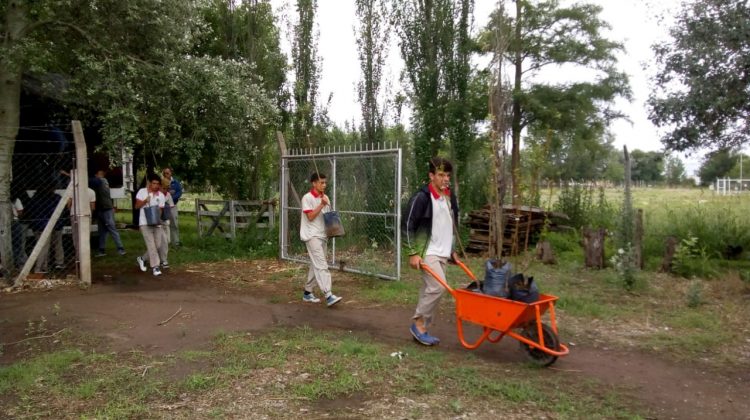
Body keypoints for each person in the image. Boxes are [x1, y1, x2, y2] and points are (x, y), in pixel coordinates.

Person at [402, 157, 459, 346]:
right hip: (427, 251)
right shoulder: (422, 197)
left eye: (447, 175)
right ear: (431, 176)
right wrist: (412, 252)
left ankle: (421, 330)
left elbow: (451, 225)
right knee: (437, 287)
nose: (445, 179)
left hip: (443, 251)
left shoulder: (449, 198)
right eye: (441, 175)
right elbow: (407, 224)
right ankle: (418, 325)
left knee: (430, 289)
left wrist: (452, 250)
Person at [299, 172, 343, 307]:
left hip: (323, 235)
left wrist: (333, 229)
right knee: (322, 265)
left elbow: (327, 217)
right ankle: (328, 294)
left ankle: (307, 292)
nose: (324, 185)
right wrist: (321, 205)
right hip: (312, 236)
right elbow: (310, 217)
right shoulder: (307, 198)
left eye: (325, 182)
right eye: (321, 182)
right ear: (314, 183)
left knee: (315, 264)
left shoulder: (325, 197)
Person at [27, 184, 65, 273]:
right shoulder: (54, 198)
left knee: (41, 246)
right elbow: (55, 211)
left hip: (38, 225)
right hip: (50, 224)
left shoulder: (34, 198)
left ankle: (44, 266)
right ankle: (42, 267)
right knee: (50, 245)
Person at [136, 178, 171, 272]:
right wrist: (144, 201)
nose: (155, 185)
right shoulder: (142, 192)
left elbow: (160, 210)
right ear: (149, 183)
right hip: (144, 223)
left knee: (158, 245)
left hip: (156, 224)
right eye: (153, 183)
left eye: (157, 184)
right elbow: (137, 206)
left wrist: (156, 220)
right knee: (151, 245)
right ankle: (155, 267)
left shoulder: (161, 196)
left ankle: (142, 259)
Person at [89, 169, 126, 257]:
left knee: (112, 228)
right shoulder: (100, 182)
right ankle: (102, 250)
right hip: (101, 209)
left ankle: (121, 248)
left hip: (106, 209)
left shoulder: (102, 180)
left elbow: (91, 181)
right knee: (101, 231)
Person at [161, 167, 182, 246]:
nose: (166, 175)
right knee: (164, 224)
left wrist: (170, 198)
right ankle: (165, 242)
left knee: (174, 224)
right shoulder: (161, 182)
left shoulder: (175, 183)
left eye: (167, 173)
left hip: (173, 206)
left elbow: (179, 193)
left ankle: (176, 242)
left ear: (171, 173)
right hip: (163, 207)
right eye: (164, 173)